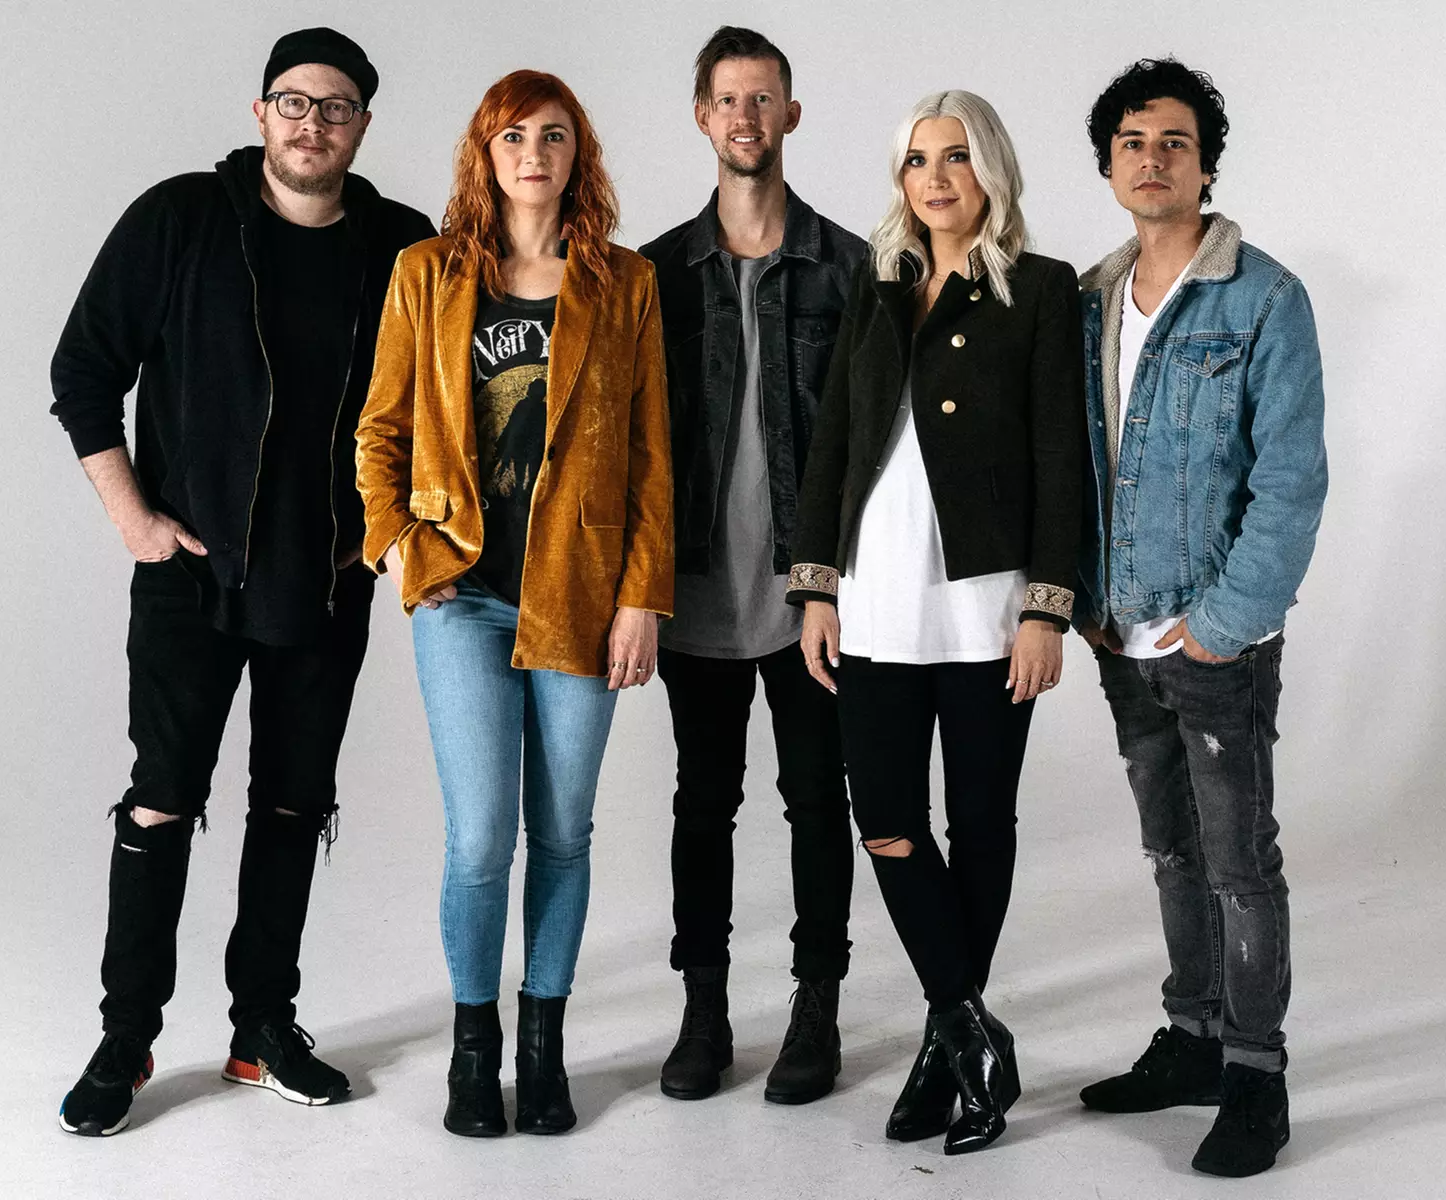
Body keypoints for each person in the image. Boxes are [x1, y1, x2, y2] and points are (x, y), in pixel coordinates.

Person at [47, 29, 435, 1136]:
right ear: (262, 112)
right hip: (193, 573)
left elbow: (442, 406)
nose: (314, 124)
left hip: (327, 577)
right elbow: (83, 370)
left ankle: (263, 1029)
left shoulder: (403, 246)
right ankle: (126, 1038)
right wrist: (136, 521)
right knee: (163, 793)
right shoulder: (180, 218)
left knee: (294, 801)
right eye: (294, 102)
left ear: (364, 127)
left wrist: (391, 536)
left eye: (337, 107)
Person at [355, 69, 673, 1138]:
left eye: (553, 135)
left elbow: (651, 457)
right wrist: (398, 545)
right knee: (480, 838)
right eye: (512, 137)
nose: (533, 154)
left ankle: (544, 1051)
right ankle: (473, 1050)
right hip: (462, 595)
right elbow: (379, 430)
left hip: (581, 596)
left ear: (579, 153)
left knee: (564, 834)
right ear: (483, 154)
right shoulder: (428, 273)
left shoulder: (625, 283)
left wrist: (642, 598)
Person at [786, 90, 1084, 1155]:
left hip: (986, 603)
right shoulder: (877, 287)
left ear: (989, 169)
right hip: (875, 594)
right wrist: (817, 585)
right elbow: (832, 438)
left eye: (956, 156)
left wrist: (1048, 606)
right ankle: (967, 1028)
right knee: (884, 816)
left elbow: (1060, 452)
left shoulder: (1039, 289)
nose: (935, 177)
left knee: (981, 821)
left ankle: (939, 1050)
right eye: (918, 160)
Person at [1072, 58, 1327, 1178]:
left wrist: (1228, 619)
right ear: (1108, 165)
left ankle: (1255, 1075)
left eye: (1173, 141)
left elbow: (1292, 481)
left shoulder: (1264, 298)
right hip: (1118, 632)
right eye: (1132, 142)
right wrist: (1084, 600)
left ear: (1206, 164)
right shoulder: (1087, 300)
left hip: (1216, 637)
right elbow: (1078, 461)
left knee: (1237, 862)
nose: (1152, 159)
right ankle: (1191, 1039)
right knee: (1171, 849)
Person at [637, 25, 866, 1106]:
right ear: (702, 117)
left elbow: (873, 442)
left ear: (791, 114)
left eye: (763, 97)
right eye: (727, 99)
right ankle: (705, 1009)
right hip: (693, 593)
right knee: (702, 805)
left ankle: (816, 1008)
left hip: (809, 597)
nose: (745, 116)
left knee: (818, 802)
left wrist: (836, 577)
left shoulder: (849, 267)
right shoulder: (651, 276)